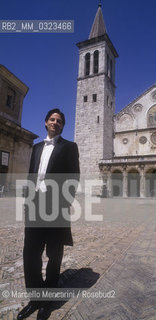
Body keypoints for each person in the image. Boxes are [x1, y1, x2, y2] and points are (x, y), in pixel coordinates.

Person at [17, 108, 80, 320]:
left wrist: (63, 204)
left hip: (55, 209)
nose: (55, 123)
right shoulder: (36, 148)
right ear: (45, 123)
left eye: (59, 121)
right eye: (52, 119)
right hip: (34, 207)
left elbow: (74, 178)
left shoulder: (69, 147)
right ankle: (34, 300)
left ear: (63, 126)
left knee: (54, 256)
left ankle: (47, 302)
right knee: (30, 255)